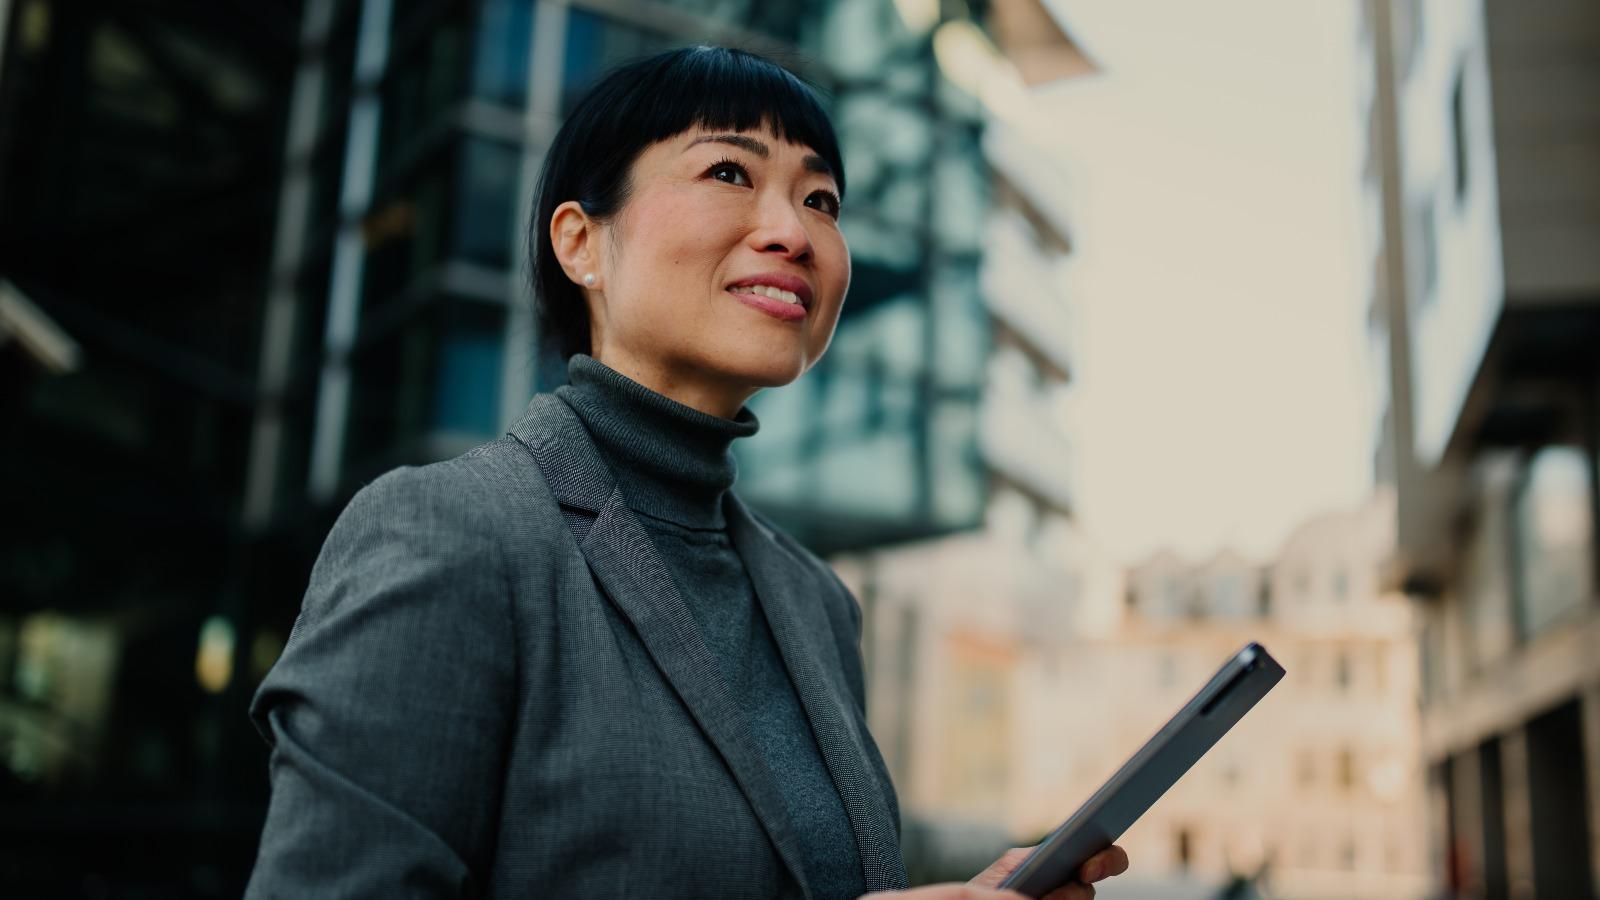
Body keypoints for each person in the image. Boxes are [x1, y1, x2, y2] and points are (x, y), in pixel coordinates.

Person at [244, 46, 1128, 900]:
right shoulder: (449, 531)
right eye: (730, 174)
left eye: (821, 198)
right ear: (582, 244)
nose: (794, 231)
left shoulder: (815, 603)